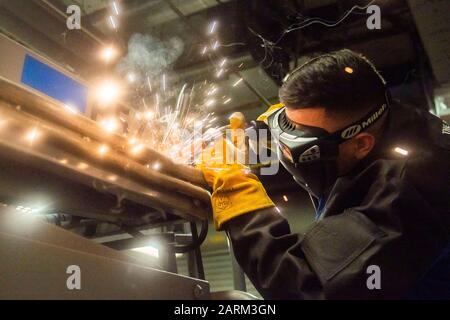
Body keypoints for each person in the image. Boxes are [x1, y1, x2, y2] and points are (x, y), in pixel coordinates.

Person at [198, 49, 450, 299]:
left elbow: (304, 287)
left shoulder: (408, 193)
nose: (286, 142)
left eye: (302, 137)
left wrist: (236, 190)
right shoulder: (380, 113)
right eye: (285, 124)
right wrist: (259, 135)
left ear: (362, 144)